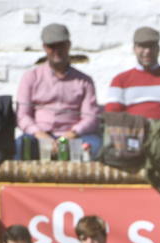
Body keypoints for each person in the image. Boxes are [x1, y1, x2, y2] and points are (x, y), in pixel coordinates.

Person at [17, 24, 103, 161]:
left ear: (68, 45)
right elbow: (22, 115)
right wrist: (40, 135)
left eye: (61, 45)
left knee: (97, 146)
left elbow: (91, 117)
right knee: (21, 144)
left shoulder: (84, 81)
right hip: (39, 136)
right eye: (52, 46)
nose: (57, 51)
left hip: (73, 136)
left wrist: (71, 135)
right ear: (45, 47)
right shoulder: (31, 77)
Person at [105, 27, 160, 127]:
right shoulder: (120, 80)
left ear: (158, 49)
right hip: (131, 137)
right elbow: (113, 114)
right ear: (134, 49)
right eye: (142, 47)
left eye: (151, 46)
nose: (147, 51)